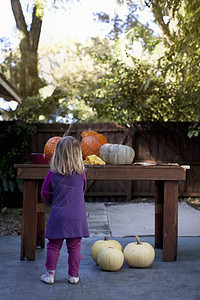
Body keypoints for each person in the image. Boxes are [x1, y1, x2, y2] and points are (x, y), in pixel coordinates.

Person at [40, 136, 89, 285]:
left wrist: (54, 204)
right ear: (78, 155)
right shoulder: (81, 175)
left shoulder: (52, 174)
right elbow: (83, 191)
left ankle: (50, 275)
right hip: (77, 217)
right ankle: (73, 276)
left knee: (54, 246)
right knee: (75, 247)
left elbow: (45, 194)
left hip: (59, 215)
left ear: (57, 154)